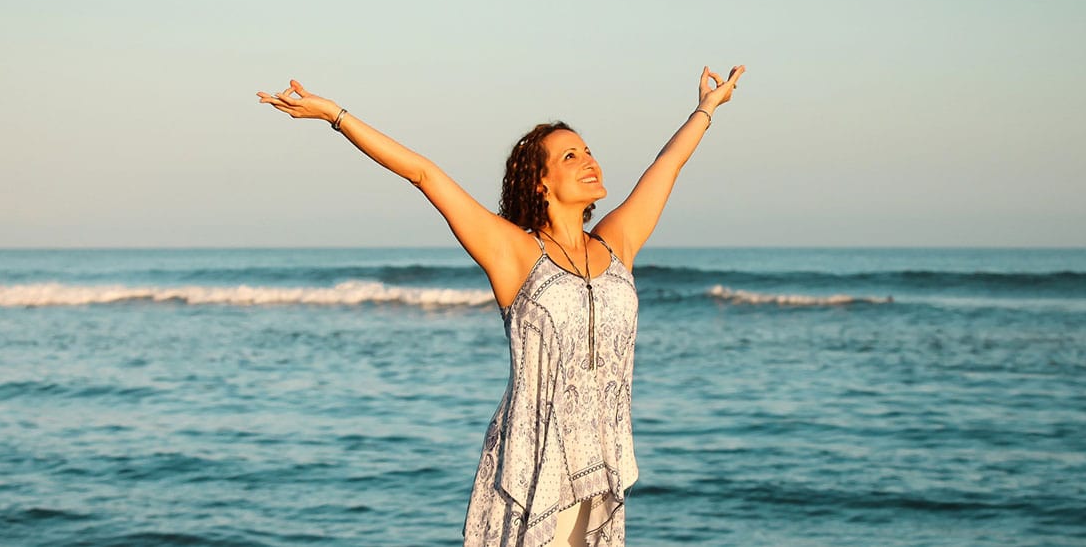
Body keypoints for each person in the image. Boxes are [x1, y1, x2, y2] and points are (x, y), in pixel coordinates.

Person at [256, 65, 746, 547]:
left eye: (589, 150)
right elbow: (425, 174)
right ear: (541, 183)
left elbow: (668, 164)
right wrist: (334, 115)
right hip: (532, 468)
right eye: (570, 156)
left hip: (601, 466)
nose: (589, 160)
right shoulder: (514, 253)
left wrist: (706, 106)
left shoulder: (618, 243)